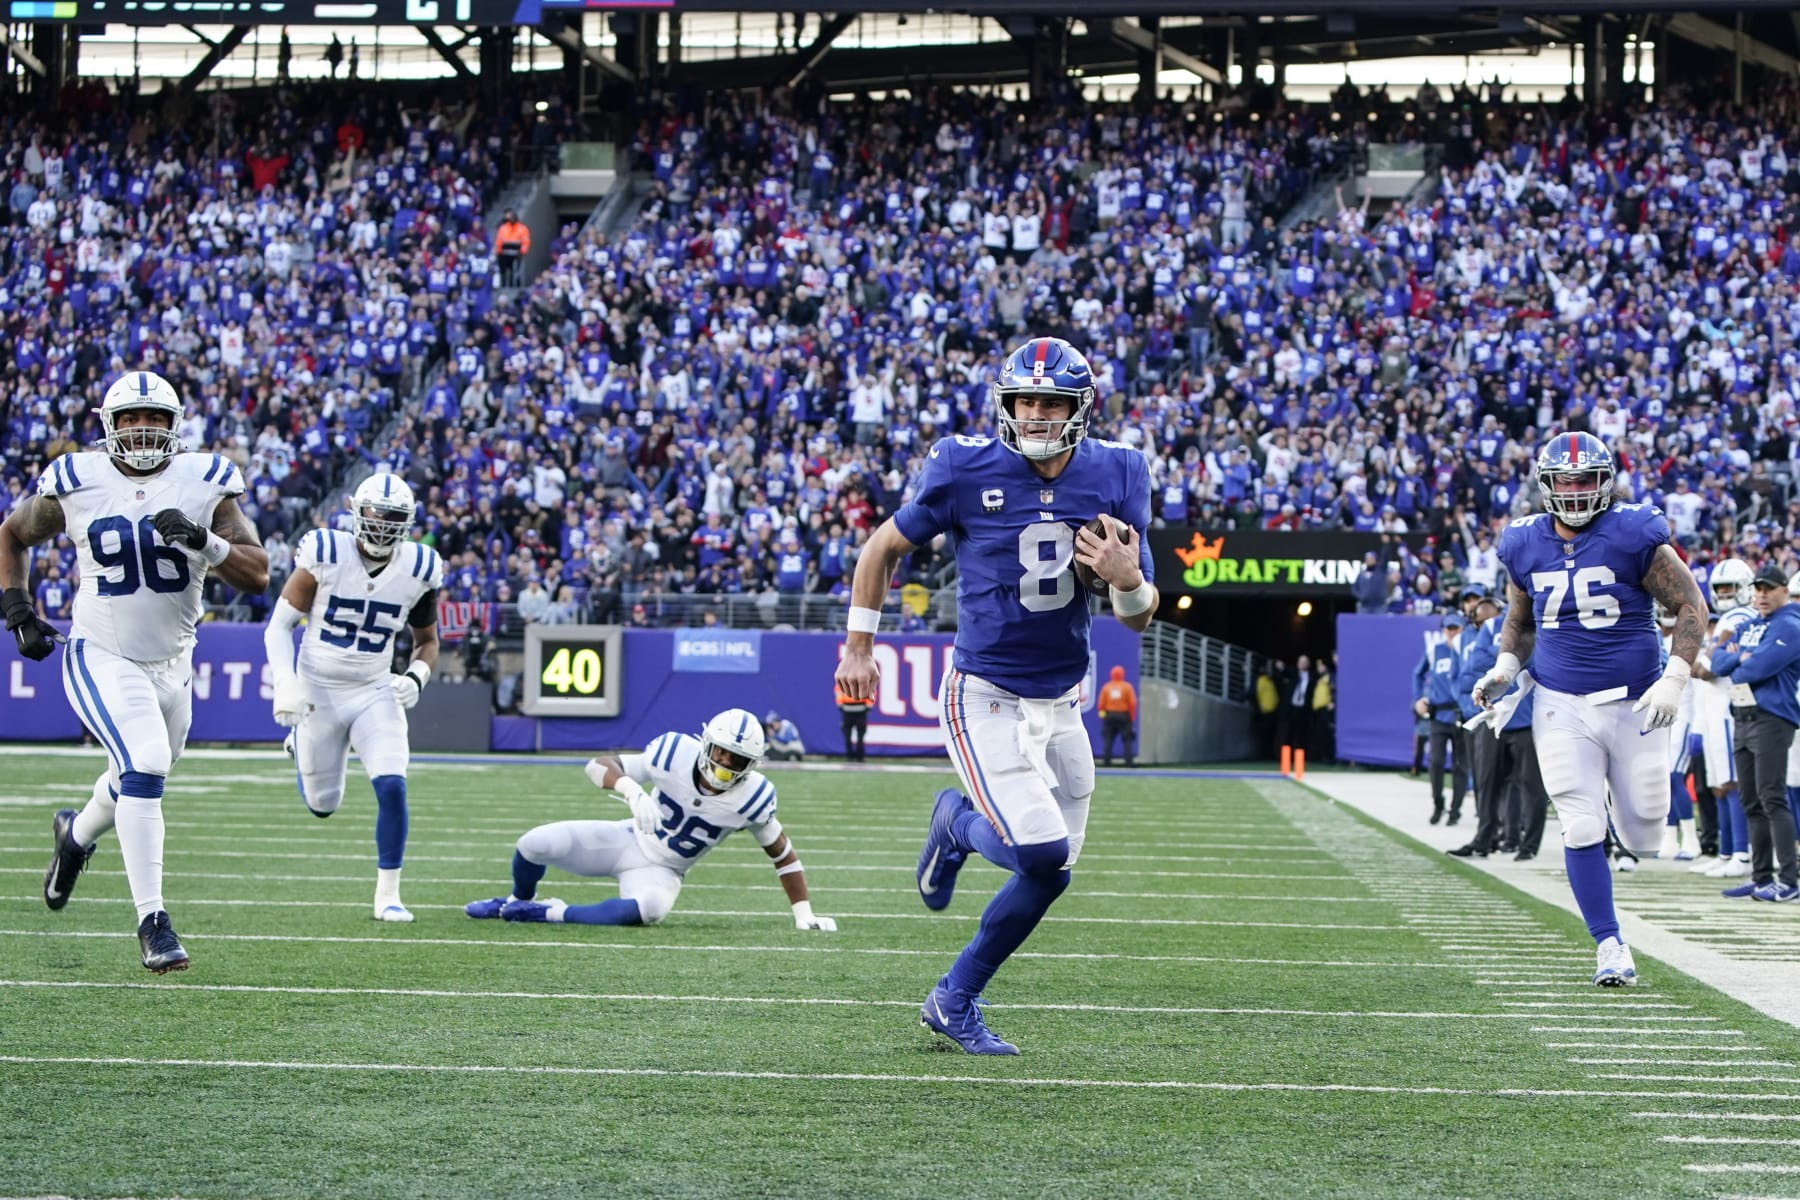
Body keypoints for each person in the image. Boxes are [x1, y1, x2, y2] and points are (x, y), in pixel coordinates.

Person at [834, 336, 1158, 1055]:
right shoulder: (962, 465)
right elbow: (880, 549)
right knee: (1040, 855)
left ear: (1080, 408)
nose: (1036, 412)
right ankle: (955, 825)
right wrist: (859, 647)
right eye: (1024, 400)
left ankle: (954, 998)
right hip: (985, 693)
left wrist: (1127, 578)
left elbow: (1139, 616)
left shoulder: (1120, 471)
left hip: (1063, 698)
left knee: (1054, 871)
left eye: (1051, 401)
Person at [2, 370, 269, 973]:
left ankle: (74, 837)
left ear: (174, 427)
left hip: (175, 662)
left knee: (138, 775)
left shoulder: (206, 480)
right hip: (101, 652)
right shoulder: (77, 479)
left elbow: (257, 573)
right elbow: (13, 534)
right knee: (145, 764)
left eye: (153, 419)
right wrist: (16, 606)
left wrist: (206, 541)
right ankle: (153, 923)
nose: (142, 430)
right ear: (110, 426)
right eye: (130, 419)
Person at [1474, 432, 1705, 988]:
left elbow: (1690, 605)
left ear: (1606, 482)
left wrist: (1675, 679)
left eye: (1585, 480)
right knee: (1580, 824)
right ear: (1546, 485)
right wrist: (1506, 666)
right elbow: (1521, 619)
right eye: (1565, 481)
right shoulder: (1523, 542)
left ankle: (1627, 828)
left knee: (1646, 832)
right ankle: (1610, 944)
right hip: (1559, 702)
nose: (1575, 492)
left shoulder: (1634, 532)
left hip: (1636, 700)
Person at [463, 709, 837, 931]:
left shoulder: (753, 797)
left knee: (649, 910)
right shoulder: (674, 752)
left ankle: (546, 912)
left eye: (736, 759)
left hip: (664, 869)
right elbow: (598, 765)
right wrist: (631, 789)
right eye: (721, 753)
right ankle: (514, 900)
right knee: (533, 843)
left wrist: (804, 914)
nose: (724, 764)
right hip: (627, 838)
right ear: (706, 744)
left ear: (750, 765)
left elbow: (783, 855)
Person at [264, 473, 442, 922]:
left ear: (409, 522)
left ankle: (388, 895)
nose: (382, 526)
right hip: (319, 689)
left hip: (373, 688)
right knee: (323, 806)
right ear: (355, 512)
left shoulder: (419, 568)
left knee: (392, 784)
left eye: (393, 519)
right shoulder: (325, 552)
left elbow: (428, 641)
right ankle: (300, 745)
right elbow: (278, 627)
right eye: (376, 515)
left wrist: (417, 676)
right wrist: (287, 684)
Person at [1706, 563, 1800, 903]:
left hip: (1772, 717)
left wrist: (1740, 658)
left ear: (1783, 590)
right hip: (1743, 716)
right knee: (1751, 799)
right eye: (1758, 588)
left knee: (1772, 796)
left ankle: (1788, 878)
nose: (1761, 594)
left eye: (1769, 588)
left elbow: (1757, 668)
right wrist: (1739, 658)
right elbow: (1715, 663)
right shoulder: (1749, 624)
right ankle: (1761, 877)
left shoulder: (1791, 625)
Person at [1689, 560, 1755, 880]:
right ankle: (1729, 850)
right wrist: (1712, 654)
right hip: (1714, 709)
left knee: (1733, 781)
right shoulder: (1726, 619)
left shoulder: (1741, 616)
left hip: (1731, 705)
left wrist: (1711, 656)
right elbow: (1698, 668)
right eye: (1720, 588)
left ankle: (1743, 852)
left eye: (1730, 587)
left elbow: (1708, 668)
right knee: (1718, 784)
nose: (1725, 593)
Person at [1413, 614, 1469, 825]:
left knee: (1461, 765)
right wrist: (1418, 698)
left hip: (1461, 713)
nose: (1452, 632)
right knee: (1435, 762)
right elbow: (1417, 673)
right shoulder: (1434, 650)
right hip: (1439, 713)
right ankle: (1438, 803)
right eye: (1449, 628)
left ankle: (1455, 810)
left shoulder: (1468, 650)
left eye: (1456, 628)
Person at [1278, 654, 1317, 768]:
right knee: (1287, 735)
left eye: (1305, 662)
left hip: (1303, 709)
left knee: (1301, 736)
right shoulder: (1293, 673)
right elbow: (1284, 672)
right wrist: (1280, 666)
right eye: (1300, 661)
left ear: (1308, 664)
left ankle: (1299, 762)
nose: (1302, 663)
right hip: (1291, 709)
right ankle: (1286, 762)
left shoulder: (1311, 677)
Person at [1096, 664, 1137, 766]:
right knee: (1127, 739)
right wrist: (1131, 718)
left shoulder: (1107, 687)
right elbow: (1132, 704)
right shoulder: (1127, 687)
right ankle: (1128, 762)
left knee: (1108, 739)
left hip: (1109, 715)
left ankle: (1106, 761)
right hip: (1123, 715)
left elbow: (1101, 704)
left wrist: (1103, 716)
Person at [836, 677, 871, 761]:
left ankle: (855, 755)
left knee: (858, 734)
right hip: (855, 709)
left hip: (855, 709)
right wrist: (868, 705)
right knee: (850, 734)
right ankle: (853, 755)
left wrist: (840, 705)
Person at [495, 210, 530, 287]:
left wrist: (522, 251)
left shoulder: (522, 228)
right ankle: (504, 285)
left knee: (517, 271)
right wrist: (499, 251)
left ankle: (516, 286)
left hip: (517, 253)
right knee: (504, 270)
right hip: (505, 253)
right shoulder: (503, 228)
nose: (512, 219)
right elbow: (499, 240)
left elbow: (526, 241)